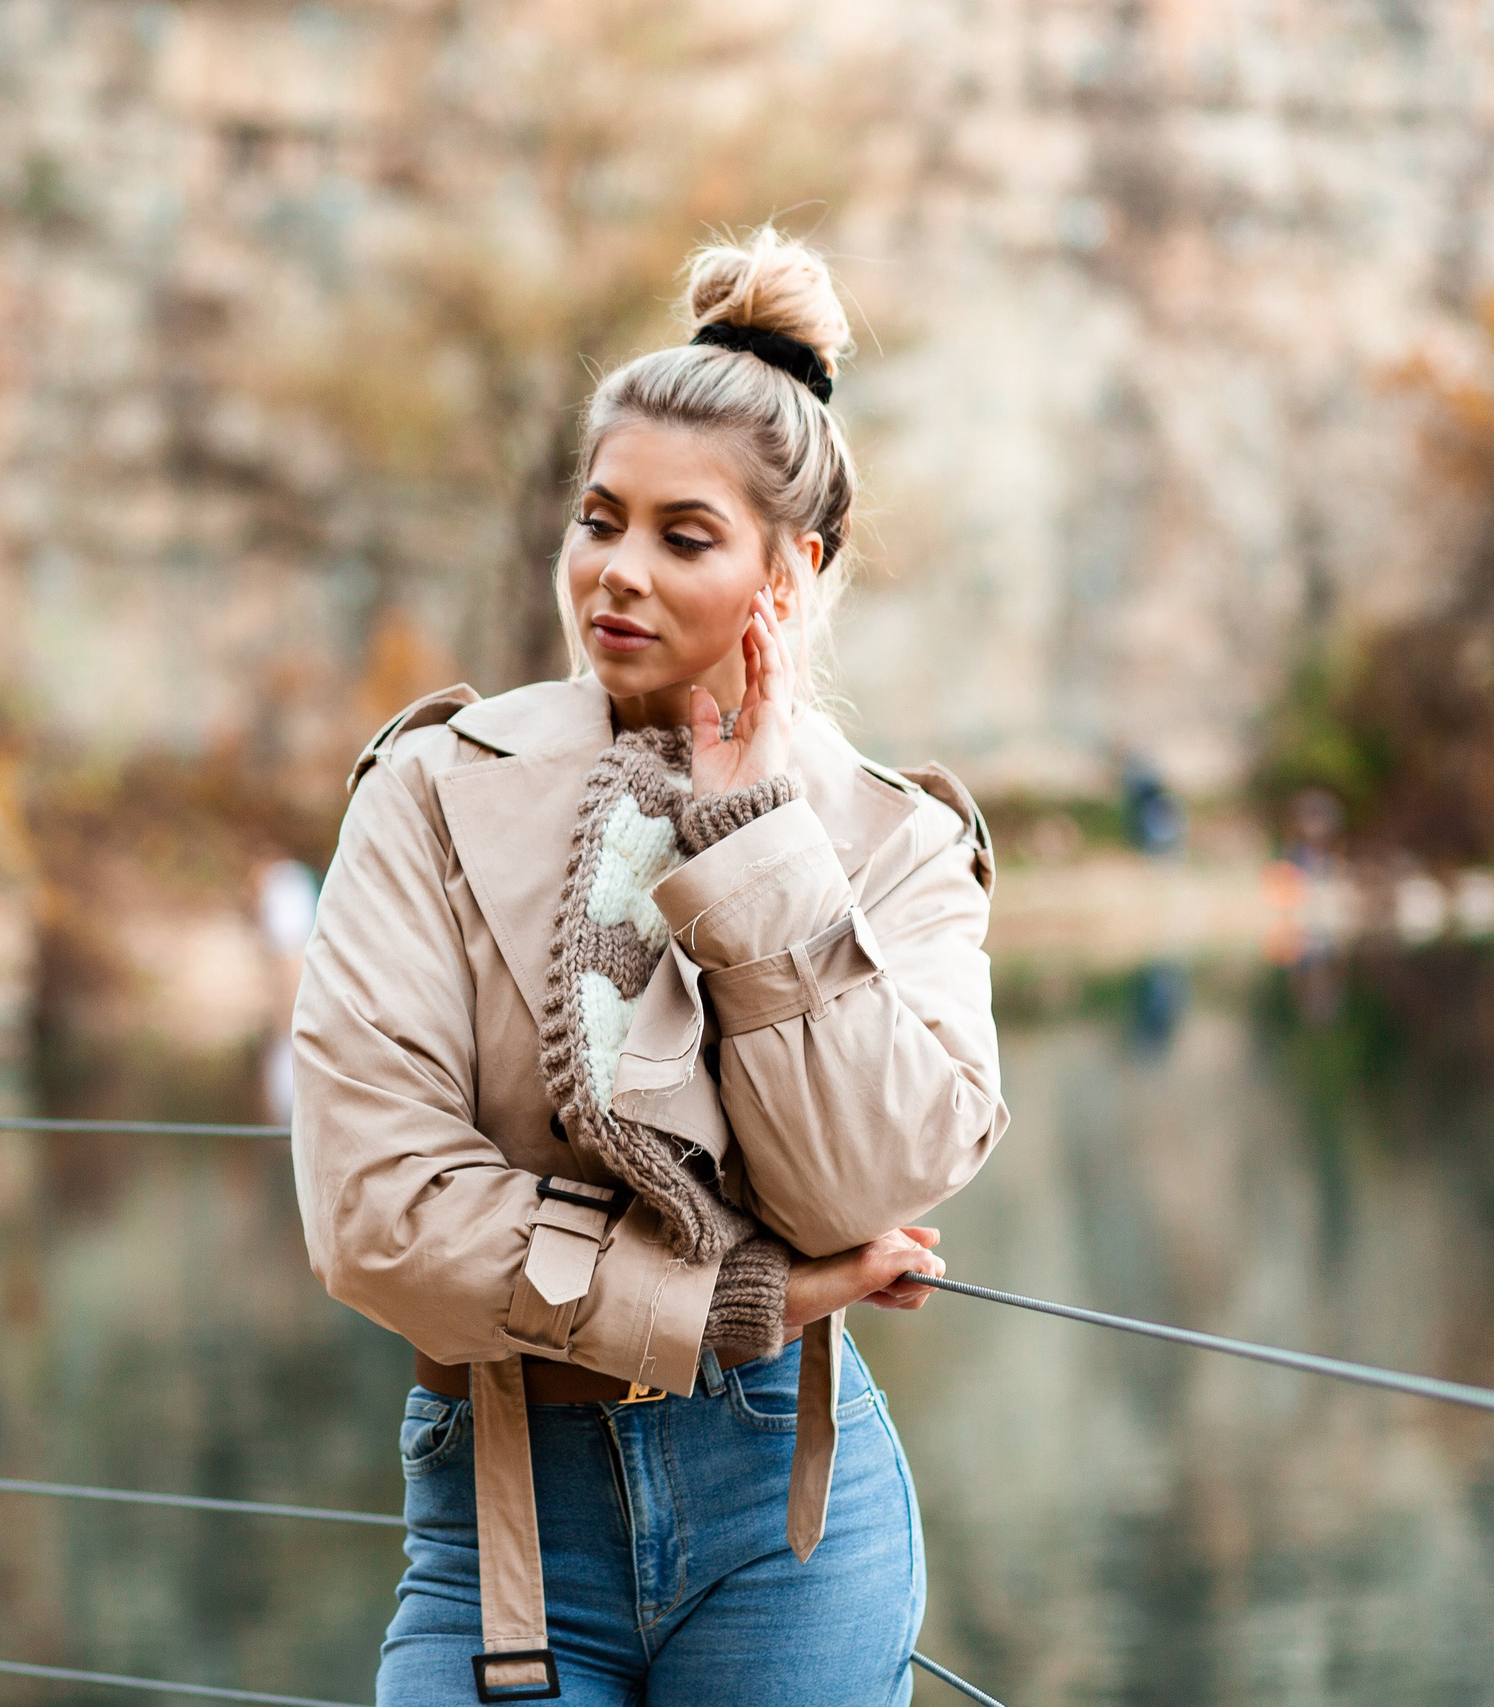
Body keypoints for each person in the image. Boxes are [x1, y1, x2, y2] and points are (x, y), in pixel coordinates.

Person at [291, 227, 1010, 1705]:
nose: (616, 573)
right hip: (502, 1514)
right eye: (598, 519)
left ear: (789, 575)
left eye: (685, 538)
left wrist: (756, 849)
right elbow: (374, 1213)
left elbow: (861, 1185)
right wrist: (737, 1302)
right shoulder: (431, 790)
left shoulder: (898, 840)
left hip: (789, 1519)